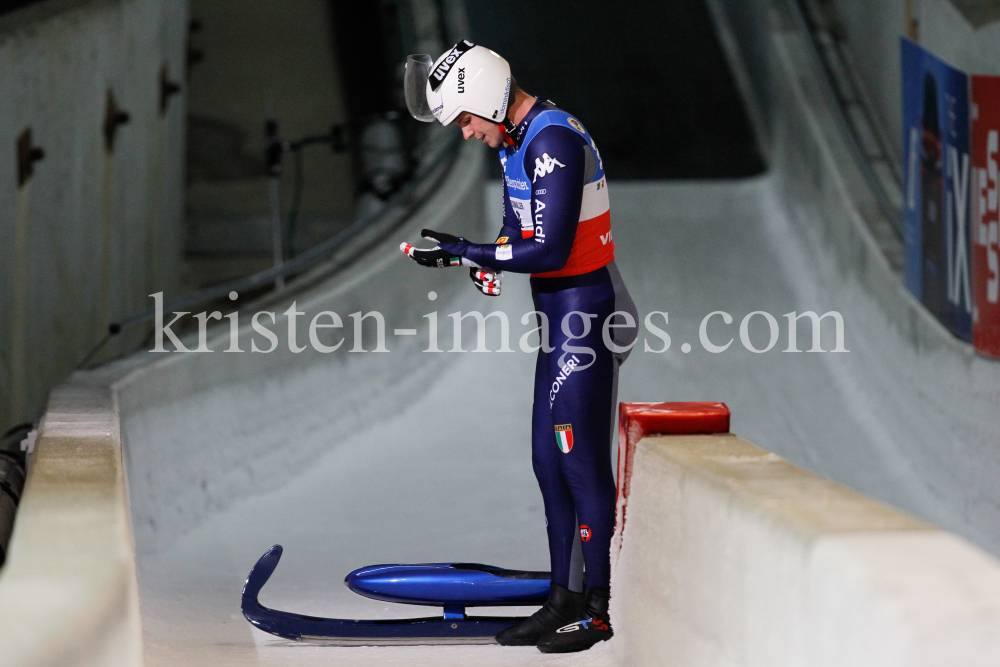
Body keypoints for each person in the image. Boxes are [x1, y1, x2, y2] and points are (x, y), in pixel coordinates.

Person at [399, 40, 637, 654]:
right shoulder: (514, 142)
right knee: (547, 460)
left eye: (465, 120)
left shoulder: (552, 140)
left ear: (484, 98)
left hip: (587, 311)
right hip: (560, 317)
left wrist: (470, 251)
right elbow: (519, 229)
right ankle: (562, 599)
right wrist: (487, 259)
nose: (466, 134)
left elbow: (551, 251)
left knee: (580, 460)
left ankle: (598, 609)